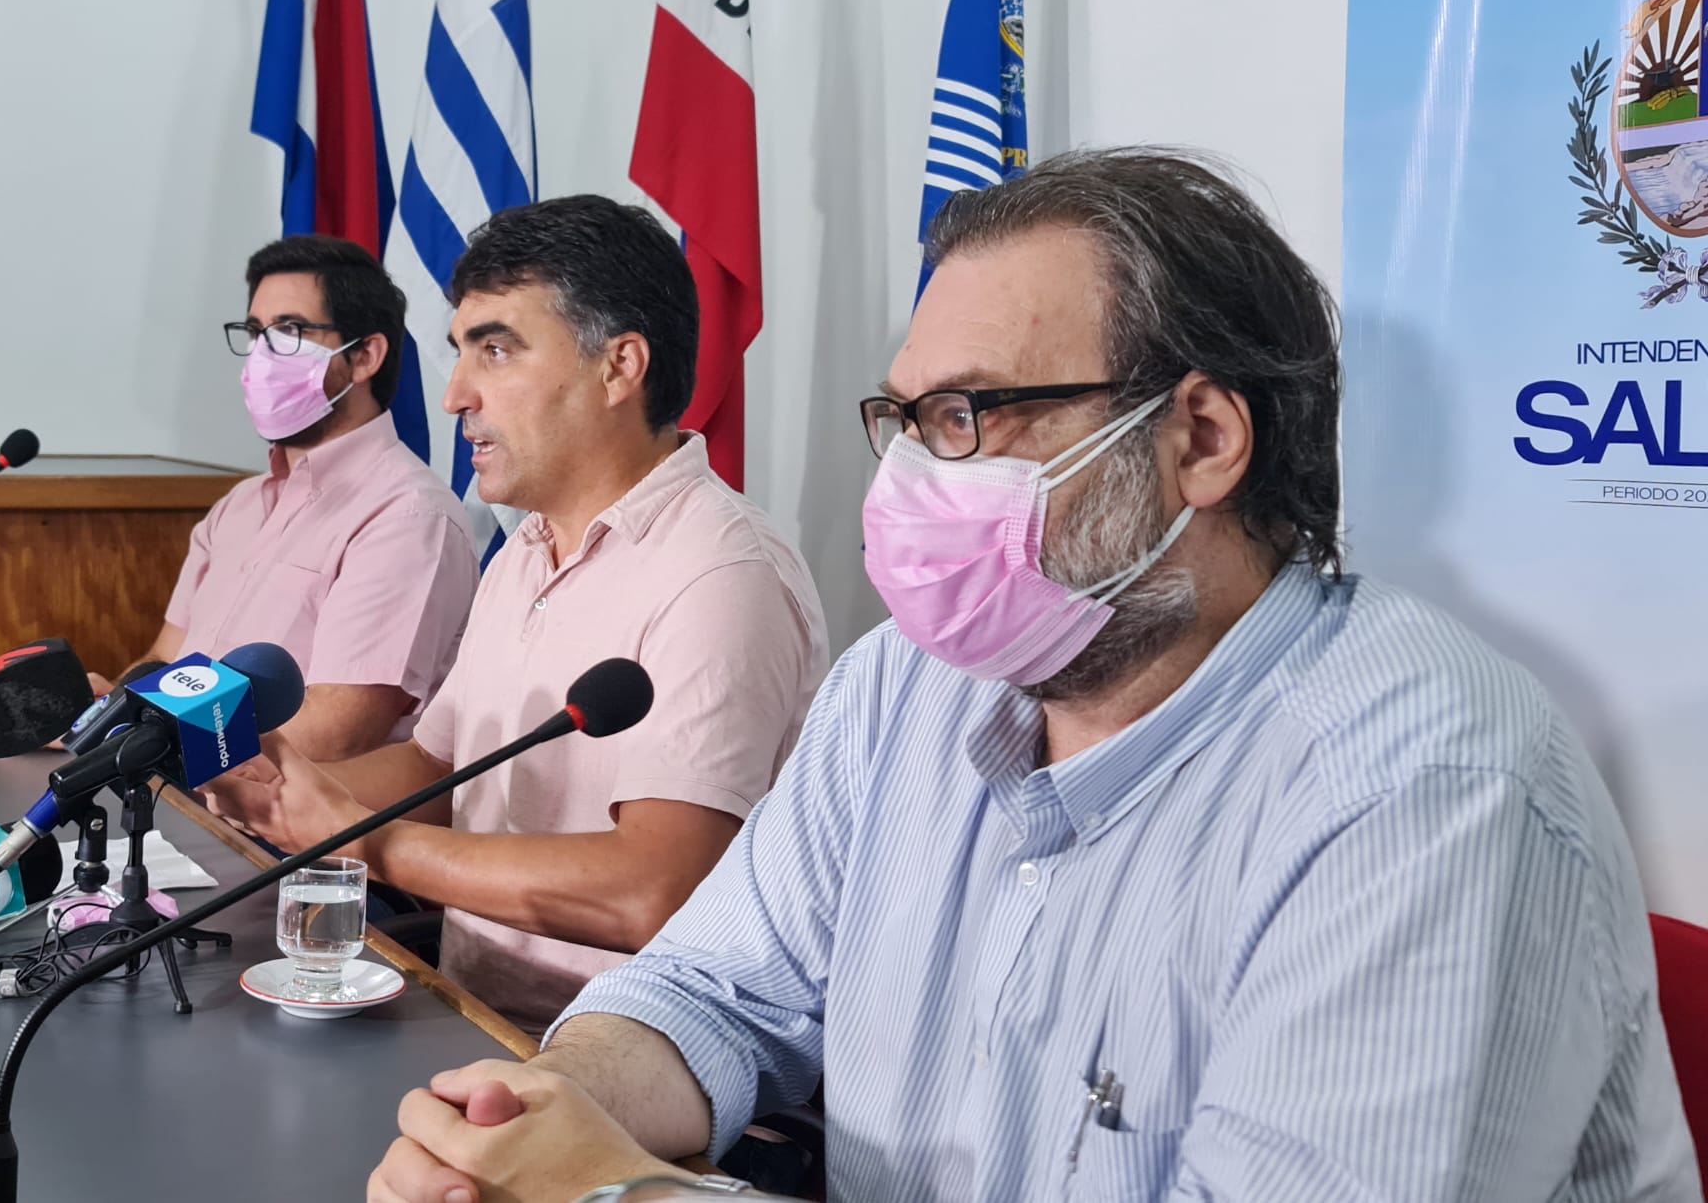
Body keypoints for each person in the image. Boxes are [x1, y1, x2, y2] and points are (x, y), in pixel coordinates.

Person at [364, 149, 1699, 1202]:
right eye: (904, 420)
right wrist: (556, 1105)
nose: (910, 482)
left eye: (969, 418)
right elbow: (712, 987)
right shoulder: (905, 688)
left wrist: (622, 1193)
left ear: (1203, 435)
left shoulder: (1425, 783)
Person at [205, 196, 831, 1035]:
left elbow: (652, 887)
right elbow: (438, 764)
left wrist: (361, 838)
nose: (458, 393)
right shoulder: (528, 549)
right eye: (461, 352)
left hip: (625, 1062)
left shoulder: (721, 575)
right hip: (467, 1013)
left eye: (496, 350)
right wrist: (289, 794)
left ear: (620, 367)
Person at [101, 235, 477, 766]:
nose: (262, 356)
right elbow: (165, 658)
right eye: (255, 333)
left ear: (365, 355)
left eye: (290, 331)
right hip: (173, 799)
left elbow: (337, 731)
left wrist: (154, 747)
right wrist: (107, 711)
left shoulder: (408, 516)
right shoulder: (238, 505)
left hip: (287, 836)